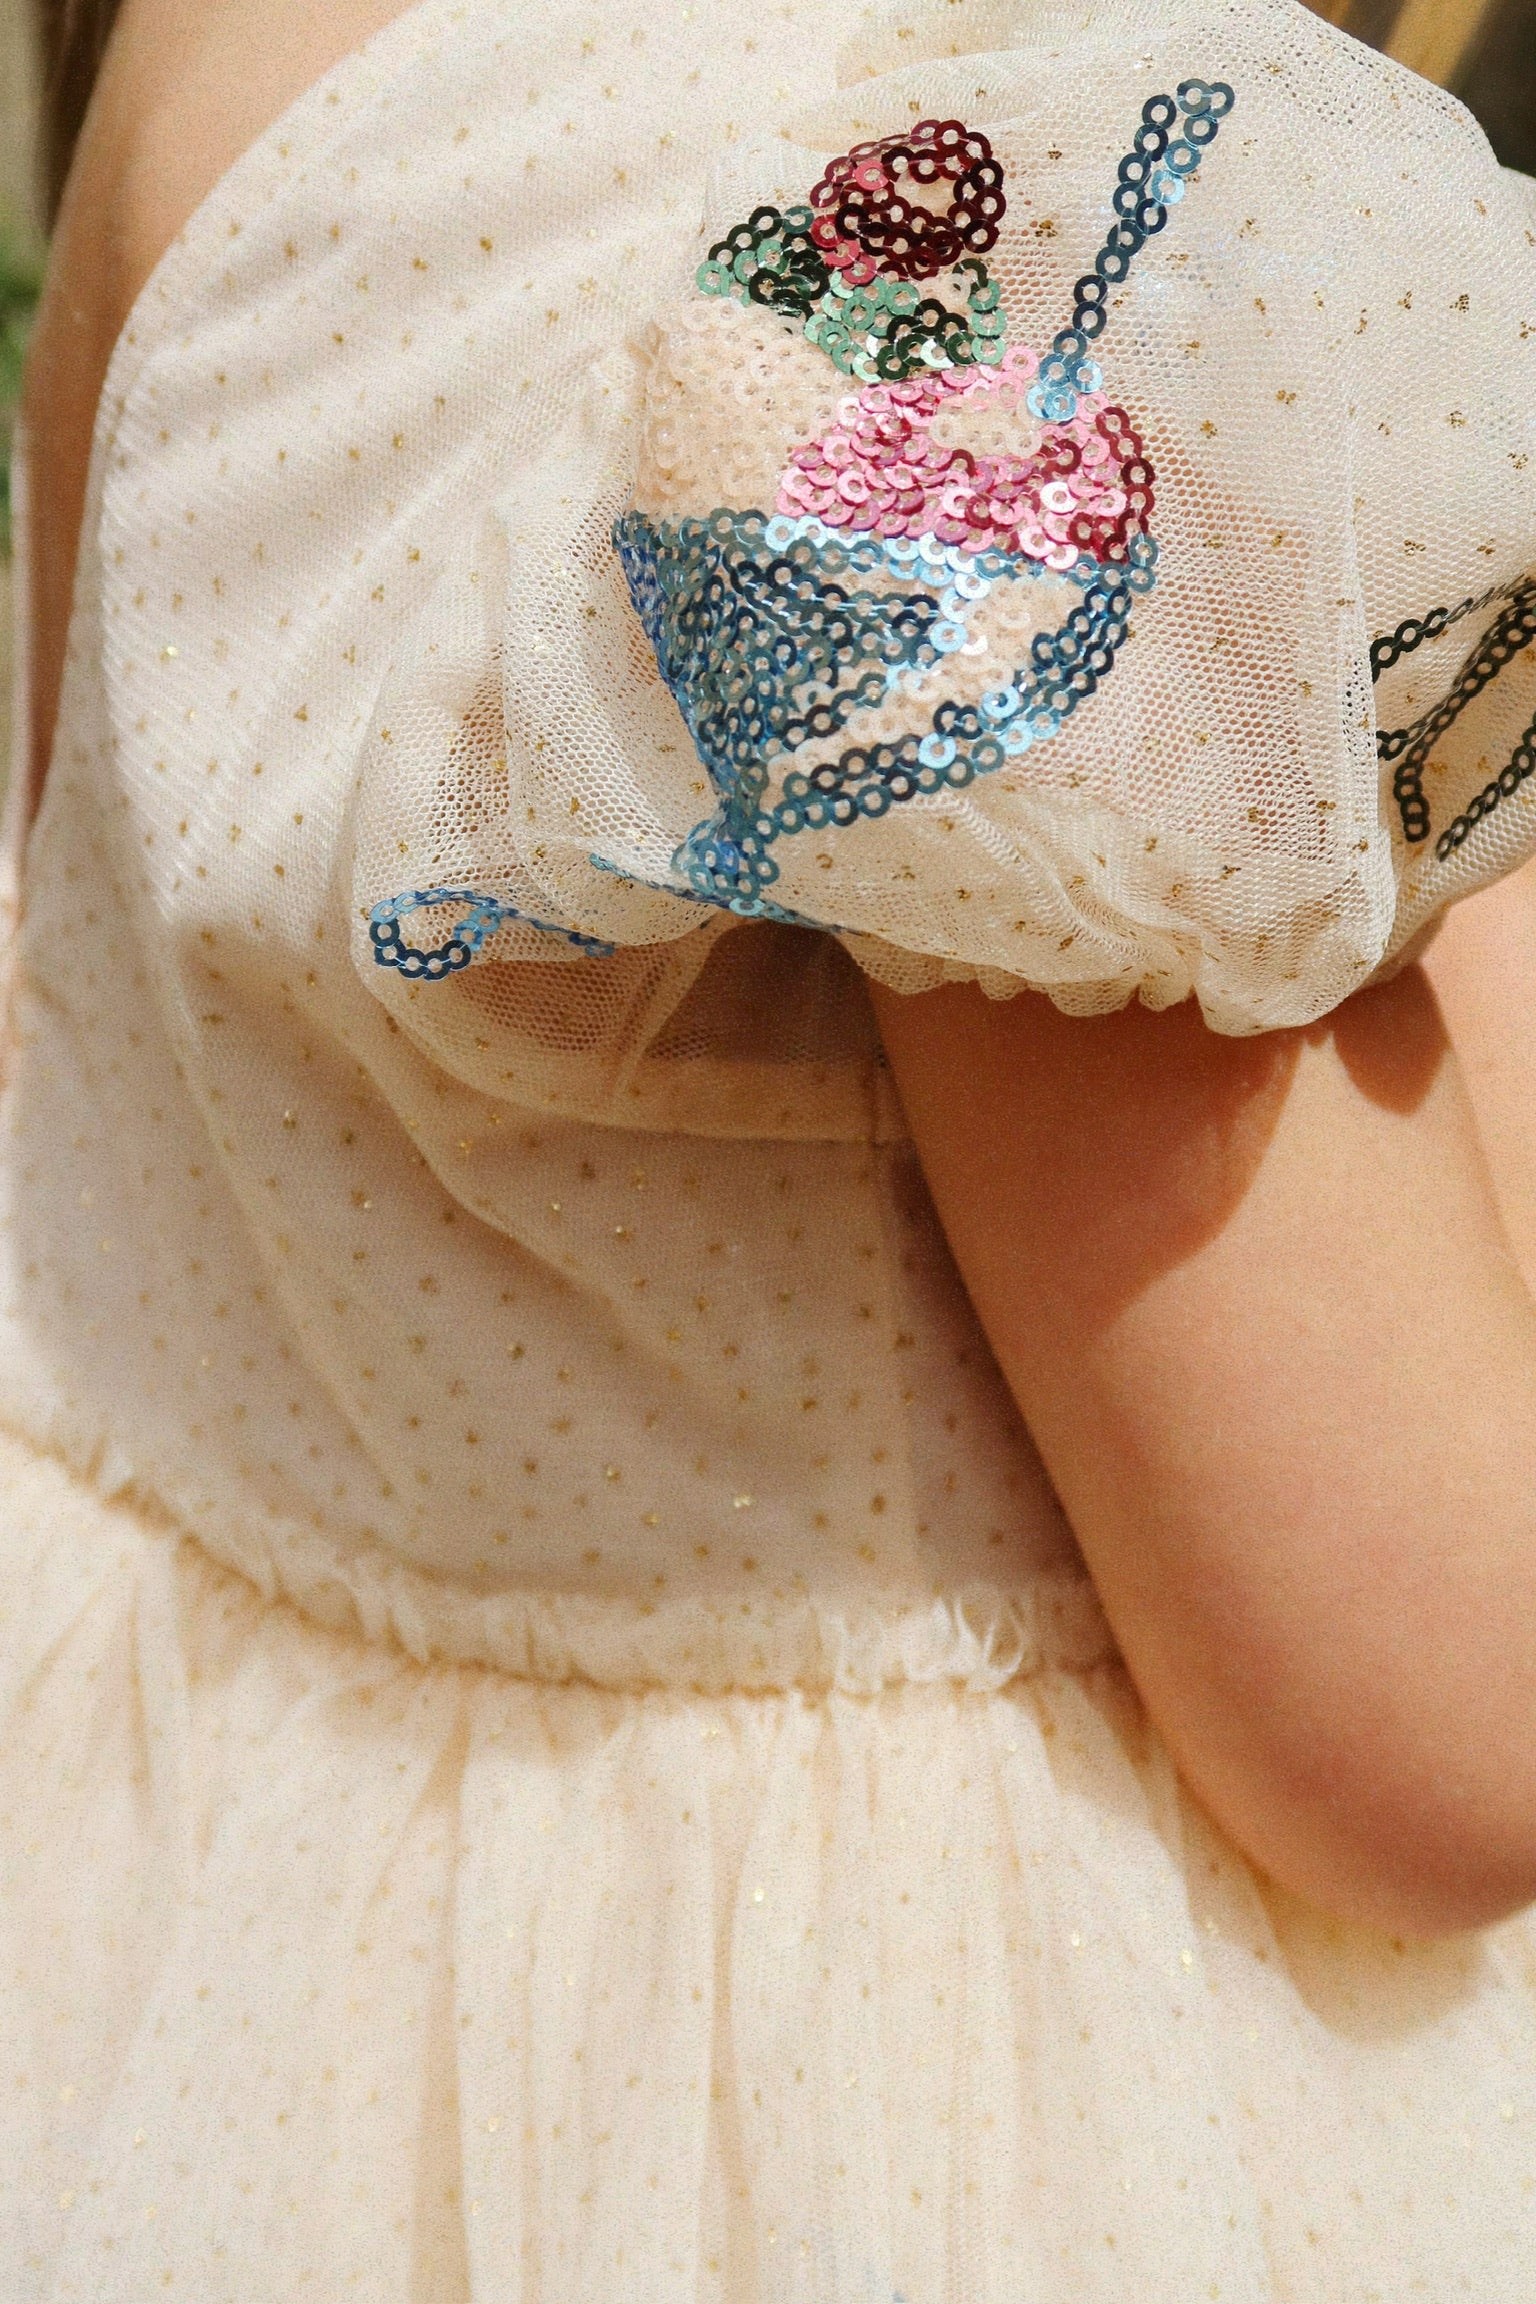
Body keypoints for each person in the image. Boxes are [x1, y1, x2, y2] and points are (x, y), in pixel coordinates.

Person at [8, 0, 1536, 2292]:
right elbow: (1441, 1723)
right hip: (869, 2103)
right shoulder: (1038, 288)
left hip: (206, 1937)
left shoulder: (220, 45)